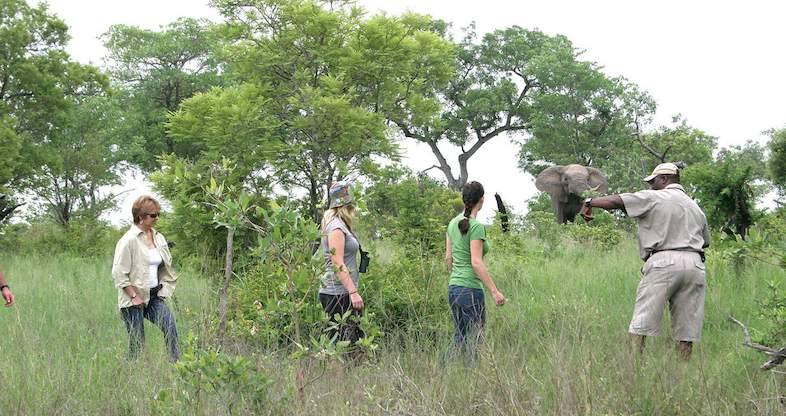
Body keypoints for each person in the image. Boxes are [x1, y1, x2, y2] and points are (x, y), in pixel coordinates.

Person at [580, 162, 710, 360]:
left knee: (642, 322)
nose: (651, 185)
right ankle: (684, 370)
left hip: (663, 262)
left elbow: (618, 201)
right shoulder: (695, 207)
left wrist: (590, 202)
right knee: (687, 328)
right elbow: (705, 241)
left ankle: (634, 369)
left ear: (664, 179)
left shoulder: (654, 197)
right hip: (695, 264)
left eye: (654, 181)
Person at [442, 181, 506, 365]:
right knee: (475, 339)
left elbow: (448, 258)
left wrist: (457, 276)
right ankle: (472, 377)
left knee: (459, 337)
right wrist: (494, 291)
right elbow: (476, 262)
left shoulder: (452, 223)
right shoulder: (476, 226)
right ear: (482, 199)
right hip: (470, 289)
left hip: (454, 287)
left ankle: (443, 369)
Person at [112, 196, 180, 361]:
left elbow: (164, 266)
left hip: (154, 296)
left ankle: (177, 367)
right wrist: (134, 297)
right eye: (153, 215)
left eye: (158, 214)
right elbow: (119, 273)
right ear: (140, 217)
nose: (156, 218)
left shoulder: (159, 237)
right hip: (133, 298)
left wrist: (164, 288)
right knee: (137, 344)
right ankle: (128, 374)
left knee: (170, 328)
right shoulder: (128, 241)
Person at [318, 181, 364, 349]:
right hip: (337, 293)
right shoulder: (336, 227)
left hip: (341, 292)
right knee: (339, 346)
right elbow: (337, 262)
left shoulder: (340, 224)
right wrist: (353, 292)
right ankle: (336, 375)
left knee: (351, 344)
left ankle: (346, 375)